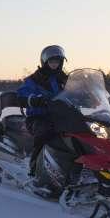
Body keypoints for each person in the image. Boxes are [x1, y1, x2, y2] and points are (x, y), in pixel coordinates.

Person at [17, 45, 69, 179]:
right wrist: (35, 100)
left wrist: (89, 97)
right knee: (45, 132)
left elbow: (76, 91)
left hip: (61, 116)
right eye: (52, 61)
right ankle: (35, 168)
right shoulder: (35, 79)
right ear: (45, 62)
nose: (55, 64)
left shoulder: (64, 79)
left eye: (57, 61)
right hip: (38, 117)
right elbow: (22, 94)